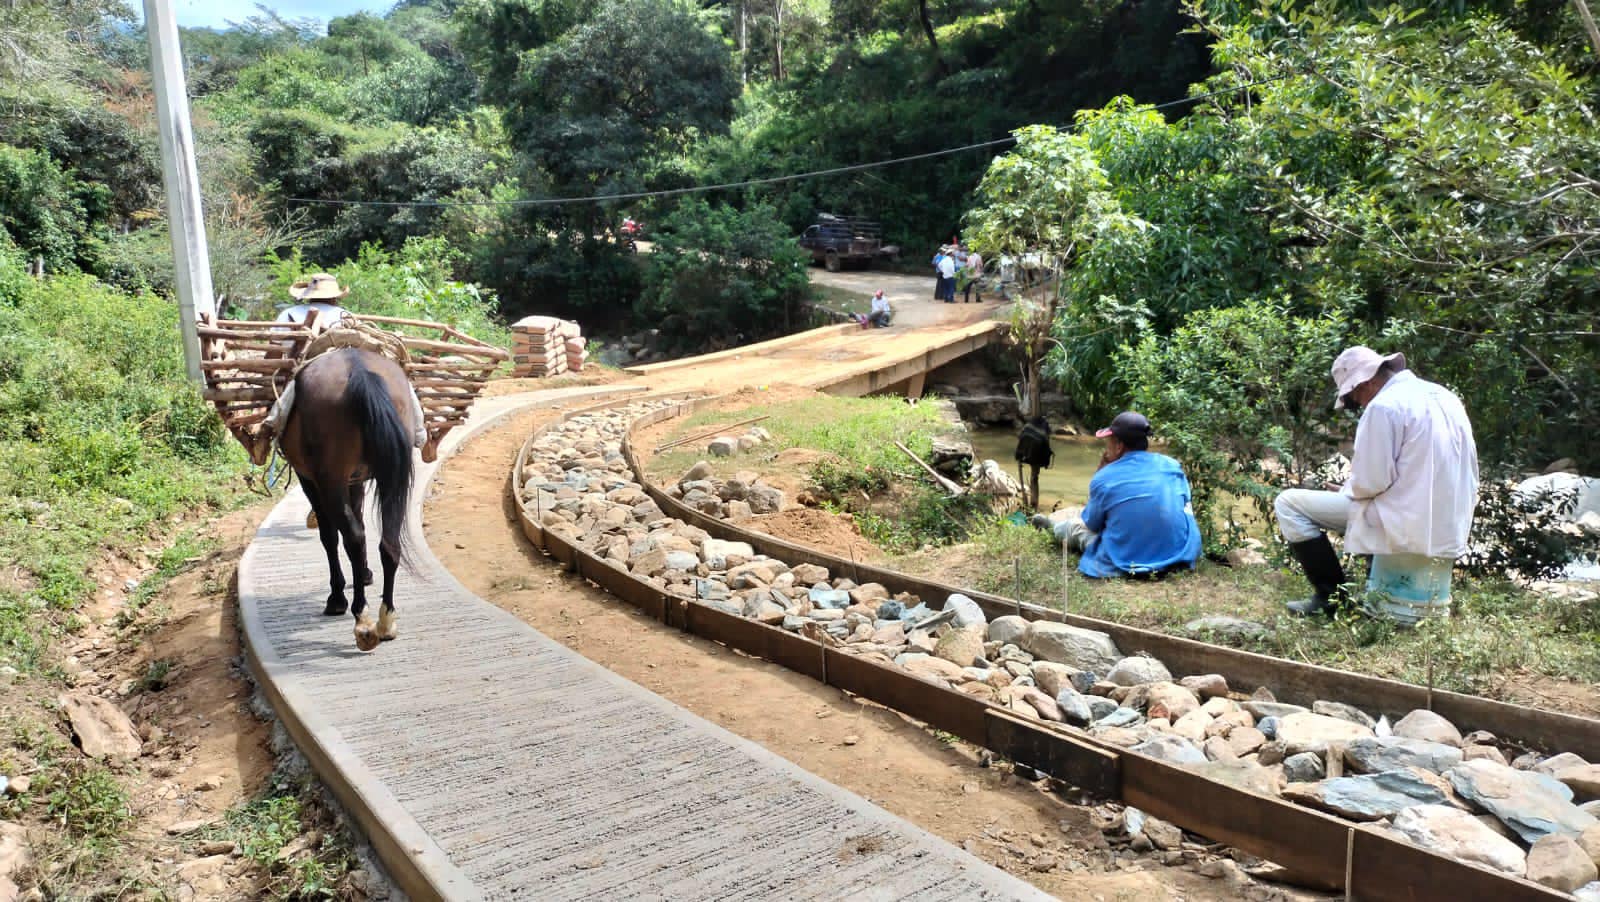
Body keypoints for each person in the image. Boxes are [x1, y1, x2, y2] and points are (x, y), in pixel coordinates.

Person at [1273, 347, 1479, 615]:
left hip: (1406, 516)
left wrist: (1351, 489)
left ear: (1366, 382)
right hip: (1450, 519)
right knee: (1368, 506)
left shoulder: (1384, 406)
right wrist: (1357, 489)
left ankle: (1331, 599)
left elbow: (1372, 481)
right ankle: (1381, 588)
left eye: (1354, 396)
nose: (1358, 404)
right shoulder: (1444, 395)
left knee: (1289, 504)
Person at [1034, 412, 1202, 578]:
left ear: (1119, 445)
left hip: (1129, 559)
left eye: (1108, 443)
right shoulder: (1172, 466)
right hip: (1179, 554)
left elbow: (1092, 525)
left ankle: (1052, 526)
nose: (1107, 448)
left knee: (1074, 528)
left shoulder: (1105, 477)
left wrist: (1102, 472)